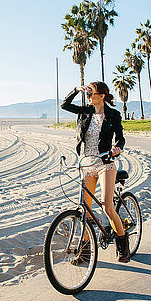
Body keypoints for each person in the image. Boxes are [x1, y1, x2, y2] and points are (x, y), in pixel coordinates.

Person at [61, 81, 131, 263]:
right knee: (85, 209)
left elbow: (121, 138)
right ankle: (84, 252)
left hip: (105, 163)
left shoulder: (113, 115)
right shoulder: (85, 112)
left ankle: (123, 245)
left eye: (91, 93)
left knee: (107, 207)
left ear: (101, 96)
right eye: (87, 93)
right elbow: (65, 105)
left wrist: (117, 148)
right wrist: (76, 89)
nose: (88, 96)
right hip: (87, 163)